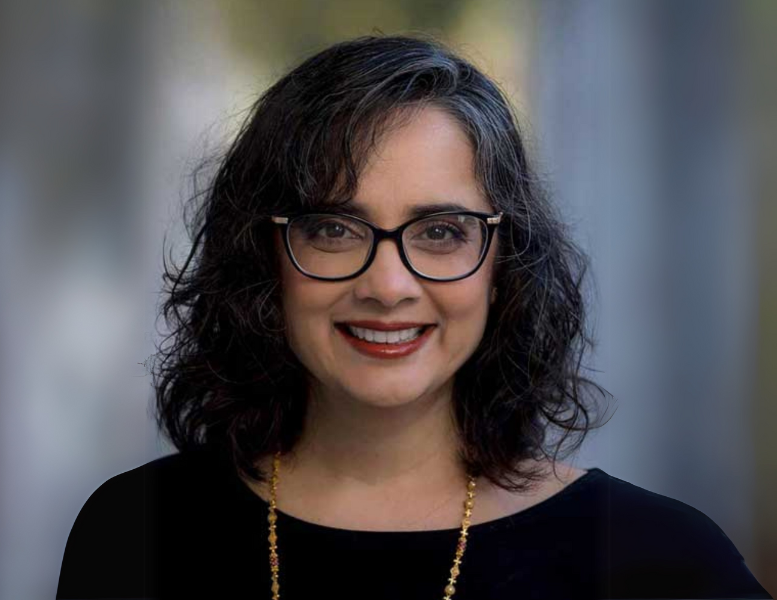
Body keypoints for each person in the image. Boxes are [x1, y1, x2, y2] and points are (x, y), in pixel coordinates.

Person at [56, 34, 772, 600]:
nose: (389, 284)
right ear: (264, 256)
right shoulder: (133, 534)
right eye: (334, 229)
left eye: (441, 231)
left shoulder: (661, 562)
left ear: (504, 263)